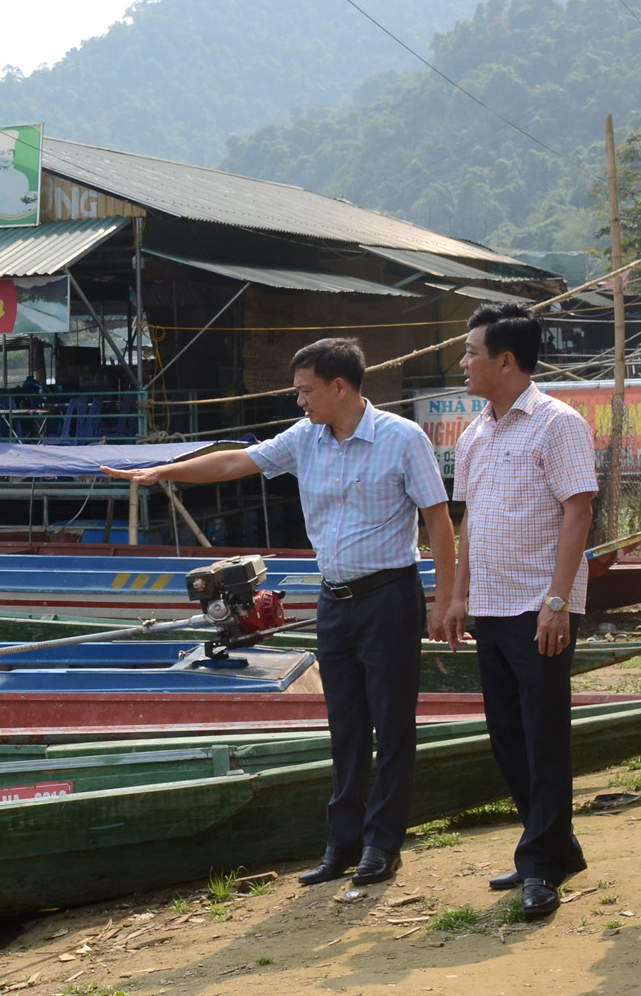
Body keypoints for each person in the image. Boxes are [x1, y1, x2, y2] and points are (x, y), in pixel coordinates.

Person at [101, 338, 457, 887]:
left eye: (305, 390)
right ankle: (342, 843)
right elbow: (237, 460)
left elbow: (438, 519)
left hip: (389, 596)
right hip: (334, 600)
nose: (300, 402)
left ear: (340, 387)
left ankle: (383, 845)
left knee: (393, 726)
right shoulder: (305, 439)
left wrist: (447, 599)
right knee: (344, 726)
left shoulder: (401, 439)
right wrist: (165, 471)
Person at [440, 303, 599, 919]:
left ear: (506, 360)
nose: (462, 363)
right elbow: (472, 523)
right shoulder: (475, 432)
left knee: (544, 735)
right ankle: (552, 848)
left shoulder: (558, 424)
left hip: (540, 607)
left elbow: (578, 512)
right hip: (492, 608)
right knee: (508, 735)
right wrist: (457, 596)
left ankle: (540, 864)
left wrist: (559, 602)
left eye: (471, 352)